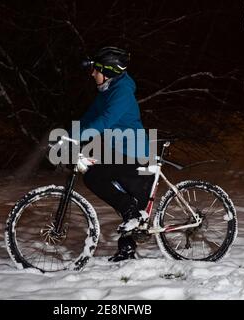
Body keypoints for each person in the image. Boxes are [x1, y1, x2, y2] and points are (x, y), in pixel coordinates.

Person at [78, 46, 154, 262]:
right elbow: (90, 117)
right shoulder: (107, 91)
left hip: (135, 155)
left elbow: (105, 121)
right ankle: (127, 250)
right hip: (121, 153)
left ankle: (129, 218)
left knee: (95, 177)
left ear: (108, 71)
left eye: (96, 70)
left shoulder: (121, 93)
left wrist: (79, 136)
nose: (92, 74)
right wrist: (69, 133)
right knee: (130, 205)